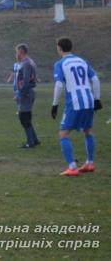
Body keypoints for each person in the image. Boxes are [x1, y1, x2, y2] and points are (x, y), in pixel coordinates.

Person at [51, 37, 103, 176]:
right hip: (89, 100)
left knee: (63, 134)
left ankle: (72, 167)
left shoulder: (60, 63)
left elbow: (59, 84)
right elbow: (95, 80)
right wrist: (97, 99)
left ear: (60, 48)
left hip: (74, 102)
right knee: (88, 131)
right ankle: (89, 163)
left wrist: (54, 105)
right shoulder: (82, 61)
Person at [14, 44, 40, 149]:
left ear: (21, 52)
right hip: (28, 92)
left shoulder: (26, 63)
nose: (16, 54)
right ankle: (34, 139)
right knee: (26, 117)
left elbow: (25, 81)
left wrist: (20, 94)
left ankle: (30, 142)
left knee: (24, 117)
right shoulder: (29, 62)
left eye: (17, 52)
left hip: (26, 92)